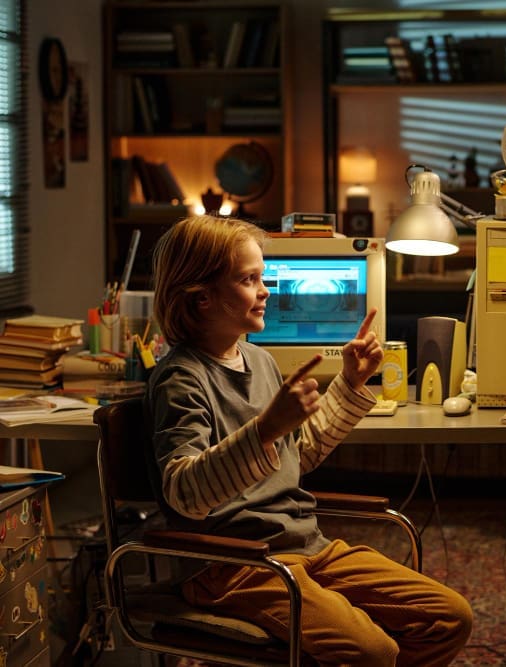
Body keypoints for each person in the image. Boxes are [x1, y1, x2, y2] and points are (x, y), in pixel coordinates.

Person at [145, 215, 473, 666]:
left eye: (263, 277)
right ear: (202, 298)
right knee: (372, 651)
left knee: (450, 617)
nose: (266, 290)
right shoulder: (181, 379)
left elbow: (297, 456)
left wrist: (351, 382)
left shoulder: (258, 360)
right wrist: (265, 430)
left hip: (304, 546)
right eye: (249, 279)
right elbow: (184, 495)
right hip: (234, 565)